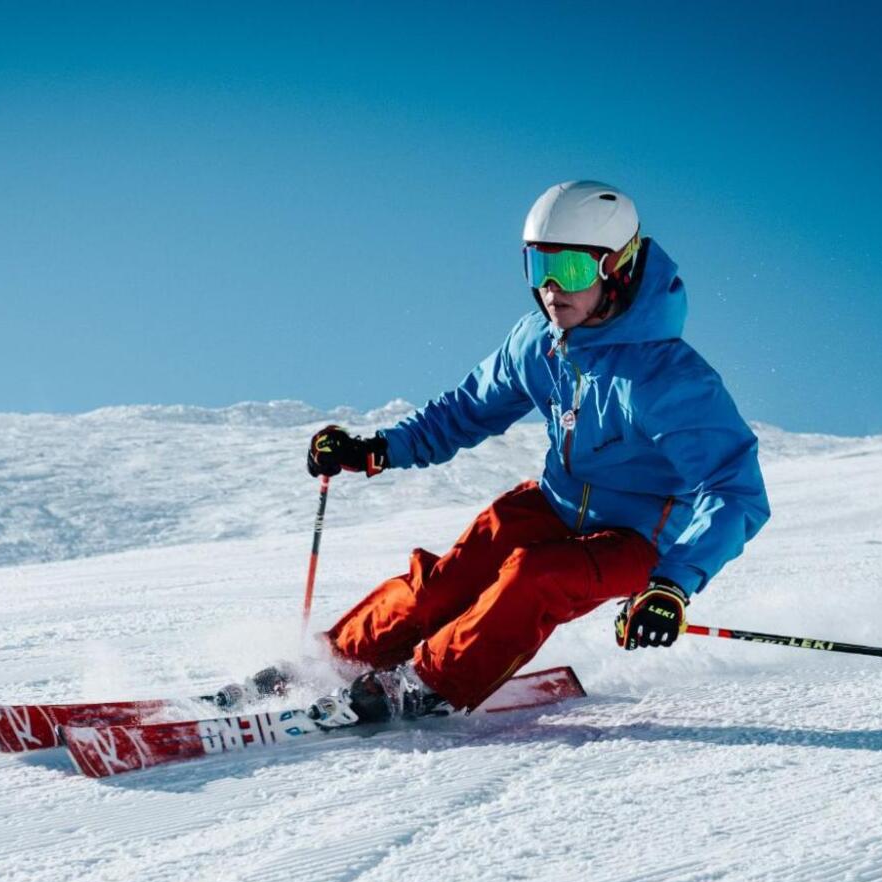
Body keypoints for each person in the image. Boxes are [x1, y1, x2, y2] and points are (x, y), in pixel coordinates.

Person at [305, 180, 770, 726]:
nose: (550, 289)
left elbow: (733, 490)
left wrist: (673, 584)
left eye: (569, 270)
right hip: (553, 503)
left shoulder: (668, 379)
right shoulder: (538, 341)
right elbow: (464, 411)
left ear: (615, 267)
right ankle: (331, 661)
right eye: (537, 267)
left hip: (638, 539)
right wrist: (376, 448)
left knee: (536, 576)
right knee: (448, 582)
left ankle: (425, 685)